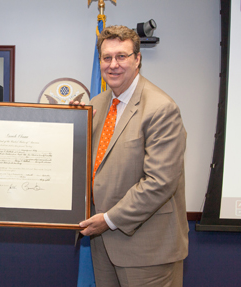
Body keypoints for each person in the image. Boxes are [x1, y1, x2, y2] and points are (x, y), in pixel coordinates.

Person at [72, 25, 189, 286]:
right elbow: (90, 166)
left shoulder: (161, 109)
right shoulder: (97, 104)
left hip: (148, 251)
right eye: (106, 57)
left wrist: (109, 220)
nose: (113, 64)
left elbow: (160, 182)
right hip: (103, 246)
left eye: (121, 56)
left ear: (137, 59)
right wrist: (72, 125)